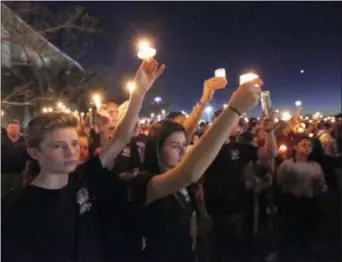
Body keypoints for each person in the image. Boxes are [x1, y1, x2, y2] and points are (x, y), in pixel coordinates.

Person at [2, 58, 165, 262]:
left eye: (73, 143)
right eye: (58, 146)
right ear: (34, 152)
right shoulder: (19, 206)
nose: (71, 151)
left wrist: (139, 93)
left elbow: (120, 138)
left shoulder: (83, 177)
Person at [137, 77, 262, 262]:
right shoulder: (147, 183)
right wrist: (234, 110)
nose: (182, 151)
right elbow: (187, 173)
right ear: (156, 148)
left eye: (183, 145)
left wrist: (204, 100)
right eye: (173, 146)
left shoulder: (184, 186)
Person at [203, 110, 276, 262]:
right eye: (228, 119)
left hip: (239, 207)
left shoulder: (238, 147)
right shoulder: (206, 148)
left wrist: (269, 132)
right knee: (216, 251)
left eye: (234, 119)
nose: (233, 123)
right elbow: (197, 183)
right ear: (215, 123)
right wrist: (202, 213)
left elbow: (268, 153)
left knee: (237, 250)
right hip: (217, 211)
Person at [1, 119, 28, 199]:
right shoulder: (2, 139)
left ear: (19, 129)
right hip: (3, 174)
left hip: (18, 174)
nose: (13, 129)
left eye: (15, 128)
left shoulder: (24, 141)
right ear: (7, 129)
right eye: (11, 127)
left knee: (17, 195)